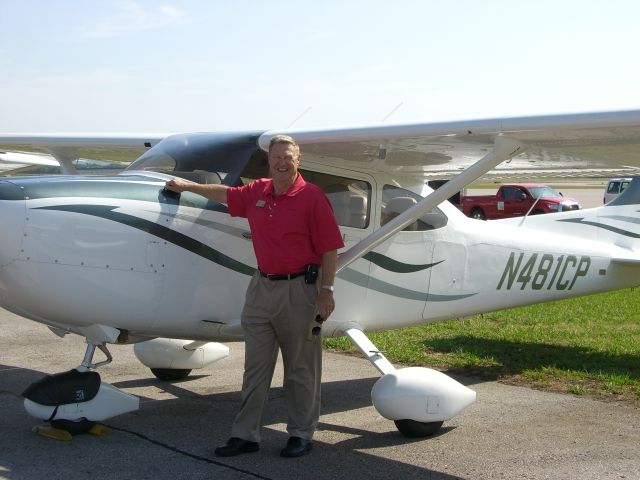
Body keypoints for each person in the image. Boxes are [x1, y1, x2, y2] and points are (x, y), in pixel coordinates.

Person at [165, 135, 344, 458]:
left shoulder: (312, 197)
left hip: (300, 288)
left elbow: (329, 248)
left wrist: (326, 291)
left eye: (288, 157)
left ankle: (301, 433)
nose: (282, 162)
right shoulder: (258, 190)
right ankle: (245, 435)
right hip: (261, 287)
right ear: (269, 160)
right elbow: (227, 194)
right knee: (255, 368)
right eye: (276, 157)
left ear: (298, 159)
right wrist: (188, 187)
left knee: (300, 368)